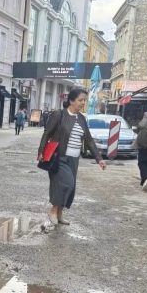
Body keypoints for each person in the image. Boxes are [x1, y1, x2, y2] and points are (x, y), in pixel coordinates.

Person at [37, 88, 106, 225]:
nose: (83, 103)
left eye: (84, 100)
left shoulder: (81, 118)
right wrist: (41, 151)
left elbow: (89, 140)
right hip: (59, 157)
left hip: (74, 159)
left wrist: (99, 159)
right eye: (80, 100)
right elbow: (47, 133)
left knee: (71, 187)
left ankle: (59, 214)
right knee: (66, 183)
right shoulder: (59, 115)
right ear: (71, 101)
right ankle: (53, 210)